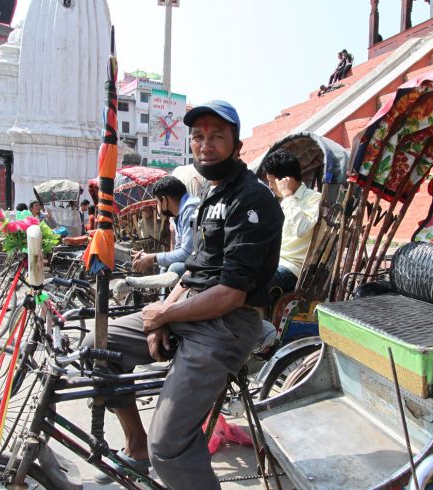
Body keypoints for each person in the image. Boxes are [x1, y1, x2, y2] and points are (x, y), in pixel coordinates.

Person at [85, 100, 283, 488]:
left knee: (170, 443)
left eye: (217, 137)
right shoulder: (211, 195)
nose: (205, 144)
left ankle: (157, 450)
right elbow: (192, 271)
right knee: (98, 347)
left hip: (227, 324)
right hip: (192, 310)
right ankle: (136, 446)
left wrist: (168, 317)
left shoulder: (252, 198)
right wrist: (163, 310)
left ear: (237, 146)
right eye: (198, 137)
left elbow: (229, 294)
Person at [260, 148, 322, 302]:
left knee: (255, 283)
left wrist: (288, 196)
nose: (271, 186)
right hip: (275, 262)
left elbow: (301, 230)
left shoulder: (314, 199)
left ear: (285, 180)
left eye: (272, 181)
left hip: (295, 269)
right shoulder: (283, 203)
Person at [130, 176, 200, 276]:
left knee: (174, 268)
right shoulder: (179, 213)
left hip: (206, 263)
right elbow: (178, 247)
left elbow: (187, 253)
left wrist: (153, 257)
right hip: (193, 259)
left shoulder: (190, 210)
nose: (157, 207)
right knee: (164, 267)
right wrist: (150, 256)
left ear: (164, 200)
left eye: (157, 202)